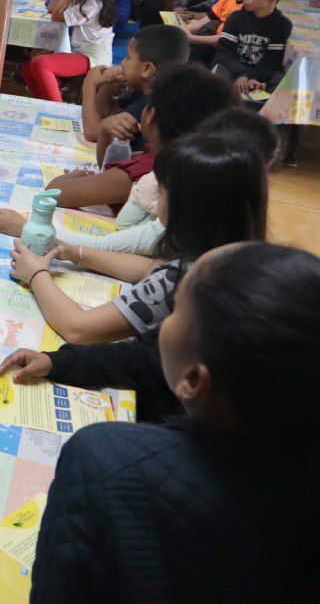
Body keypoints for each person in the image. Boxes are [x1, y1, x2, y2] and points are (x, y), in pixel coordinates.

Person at [29, 242, 320, 601]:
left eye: (177, 308)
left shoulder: (103, 461)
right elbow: (145, 360)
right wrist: (58, 362)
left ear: (193, 381)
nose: (163, 322)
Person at [8, 129, 267, 346]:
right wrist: (73, 252)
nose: (155, 199)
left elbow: (79, 329)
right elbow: (150, 268)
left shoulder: (184, 281)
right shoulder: (233, 253)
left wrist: (36, 275)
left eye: (162, 190)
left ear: (186, 207)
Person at [0, 107, 277, 261]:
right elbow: (128, 245)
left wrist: (25, 229)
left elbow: (79, 327)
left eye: (165, 186)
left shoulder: (181, 230)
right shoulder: (234, 220)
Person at [43, 63, 235, 211]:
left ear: (151, 114)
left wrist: (76, 174)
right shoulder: (172, 155)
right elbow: (112, 166)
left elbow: (54, 194)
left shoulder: (149, 171)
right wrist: (106, 133)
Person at [21, 0, 119, 102]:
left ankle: (59, 109)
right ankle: (46, 105)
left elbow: (56, 16)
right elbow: (51, 7)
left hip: (92, 58)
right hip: (75, 51)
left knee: (41, 63)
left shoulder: (92, 3)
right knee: (27, 67)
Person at [80, 23, 190, 158]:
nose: (123, 62)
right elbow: (106, 113)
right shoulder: (144, 89)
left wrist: (89, 84)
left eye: (128, 57)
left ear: (146, 69)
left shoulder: (150, 105)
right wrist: (106, 85)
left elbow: (92, 133)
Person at [212, 0, 292, 96]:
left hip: (260, 71)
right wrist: (241, 74)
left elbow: (272, 59)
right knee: (217, 82)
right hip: (232, 66)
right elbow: (225, 52)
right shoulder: (236, 18)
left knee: (280, 83)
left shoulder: (282, 24)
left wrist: (256, 78)